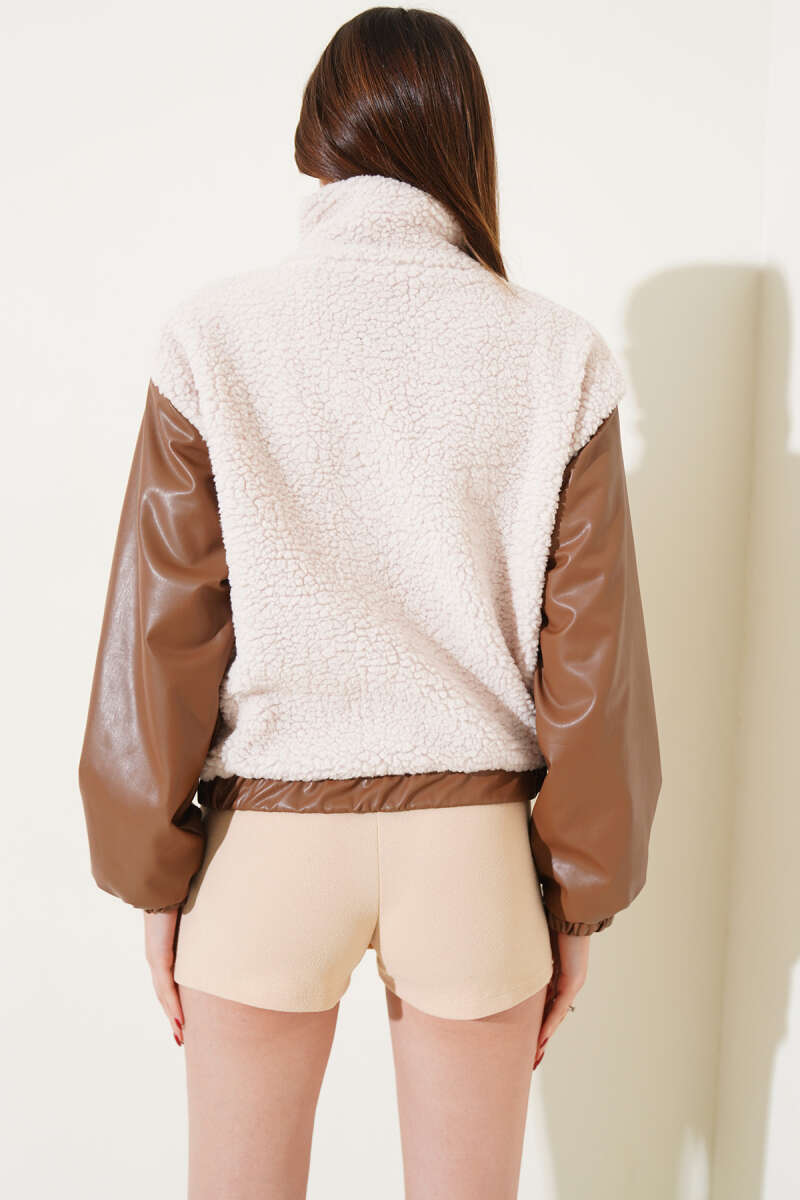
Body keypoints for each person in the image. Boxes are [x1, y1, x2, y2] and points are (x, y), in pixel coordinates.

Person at [78, 7, 661, 1198]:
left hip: (265, 848)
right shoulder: (558, 357)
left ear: (317, 141)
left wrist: (154, 877)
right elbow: (590, 668)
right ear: (464, 142)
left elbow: (163, 637)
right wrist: (577, 906)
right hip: (473, 858)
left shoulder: (213, 338)